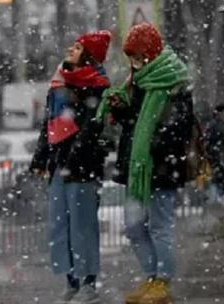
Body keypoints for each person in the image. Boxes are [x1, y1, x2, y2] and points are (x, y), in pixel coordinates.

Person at [103, 23, 194, 304]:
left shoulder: (172, 81)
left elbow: (179, 127)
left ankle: (162, 282)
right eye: (131, 57)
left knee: (159, 226)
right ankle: (152, 277)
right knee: (133, 227)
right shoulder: (139, 80)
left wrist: (153, 143)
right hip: (137, 167)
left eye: (139, 56)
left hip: (161, 167)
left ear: (152, 52)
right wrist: (121, 109)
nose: (135, 62)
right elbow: (136, 123)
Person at [30, 30, 112, 304]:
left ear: (88, 55)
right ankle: (71, 280)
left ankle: (88, 281)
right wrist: (41, 157)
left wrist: (75, 153)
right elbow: (48, 123)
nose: (70, 49)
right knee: (59, 224)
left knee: (83, 225)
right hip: (58, 165)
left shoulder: (96, 85)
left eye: (77, 47)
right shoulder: (59, 82)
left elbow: (93, 126)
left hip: (82, 167)